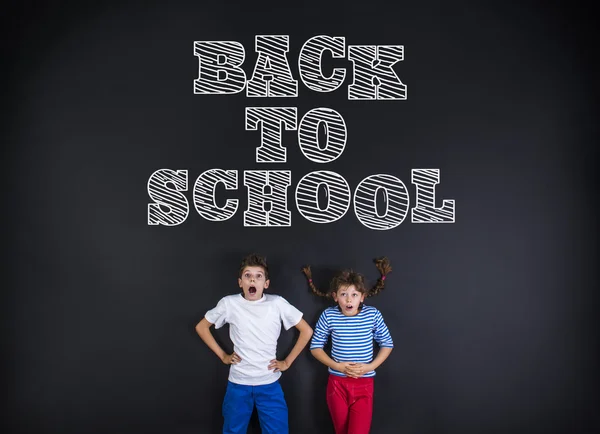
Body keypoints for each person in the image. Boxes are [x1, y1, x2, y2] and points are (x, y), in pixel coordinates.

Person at [196, 253, 313, 434]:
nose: (253, 280)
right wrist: (223, 356)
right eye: (247, 276)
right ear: (240, 282)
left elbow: (306, 330)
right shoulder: (229, 303)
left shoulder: (277, 304)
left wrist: (287, 362)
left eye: (258, 276)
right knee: (233, 430)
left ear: (265, 284)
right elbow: (202, 327)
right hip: (238, 384)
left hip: (269, 384)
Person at [302, 258, 394, 434]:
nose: (349, 299)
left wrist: (370, 367)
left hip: (364, 383)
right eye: (343, 294)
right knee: (341, 430)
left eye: (354, 294)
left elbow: (387, 343)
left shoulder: (372, 315)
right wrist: (337, 366)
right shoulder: (329, 315)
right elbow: (315, 347)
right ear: (335, 297)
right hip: (337, 384)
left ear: (362, 297)